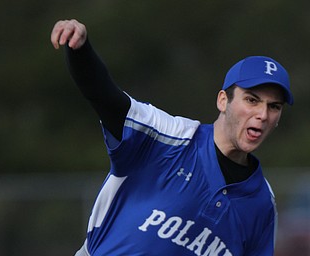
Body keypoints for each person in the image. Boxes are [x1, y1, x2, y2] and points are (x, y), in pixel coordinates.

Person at [51, 19, 293, 256]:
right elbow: (105, 97)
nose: (262, 114)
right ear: (223, 100)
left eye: (274, 106)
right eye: (251, 100)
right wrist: (80, 51)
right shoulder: (169, 138)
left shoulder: (261, 204)